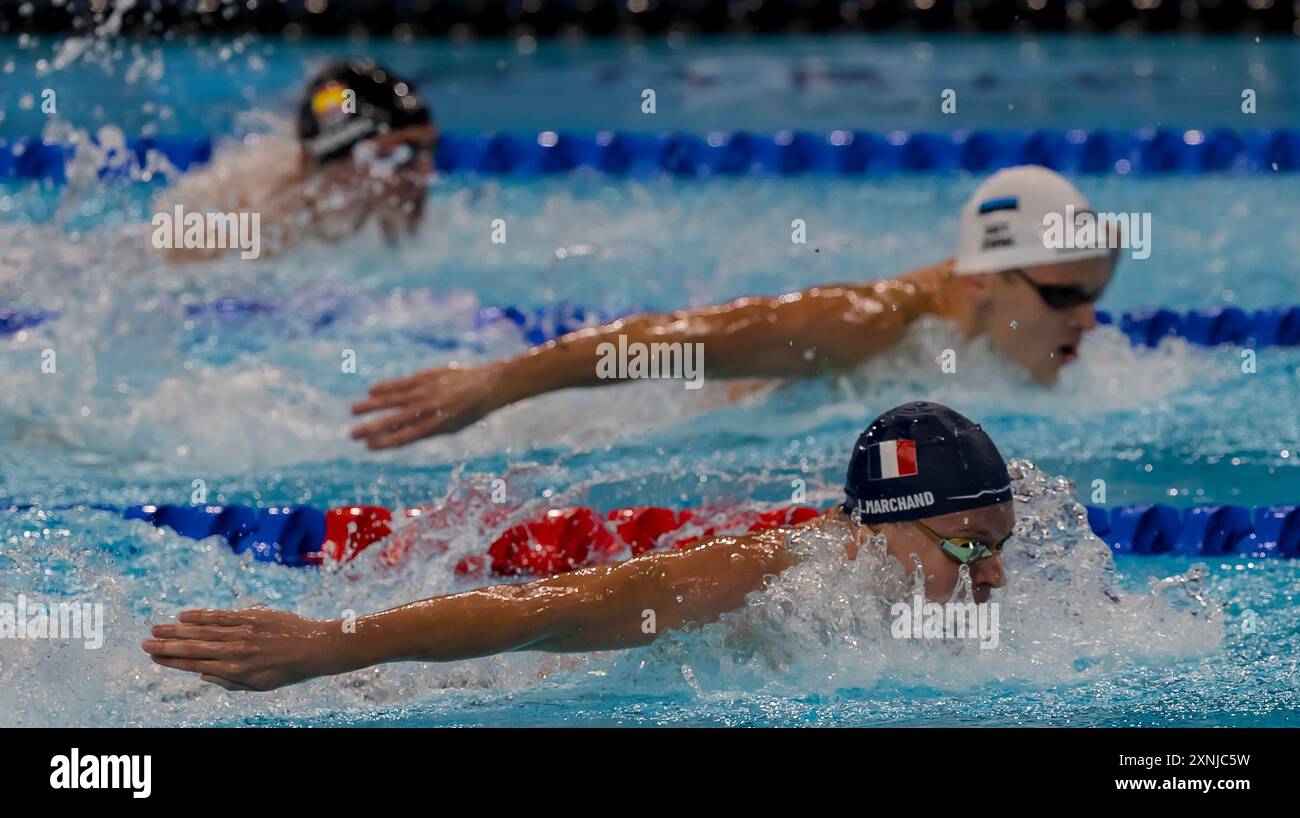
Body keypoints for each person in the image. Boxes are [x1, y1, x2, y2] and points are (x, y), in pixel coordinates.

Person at [142, 401, 1015, 692]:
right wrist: (327, 646)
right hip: (512, 673)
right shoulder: (767, 577)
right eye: (971, 549)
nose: (995, 577)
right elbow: (548, 611)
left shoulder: (920, 589)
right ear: (882, 529)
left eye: (1000, 545)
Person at [350, 165, 1118, 450]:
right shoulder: (865, 323)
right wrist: (496, 386)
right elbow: (675, 344)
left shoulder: (1000, 344)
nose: (1089, 320)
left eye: (1096, 295)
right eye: (1065, 297)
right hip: (662, 436)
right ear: (982, 281)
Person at [155, 59, 438, 261]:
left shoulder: (352, 202)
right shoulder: (259, 217)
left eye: (428, 151)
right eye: (403, 155)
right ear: (339, 156)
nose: (427, 174)